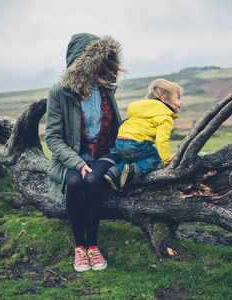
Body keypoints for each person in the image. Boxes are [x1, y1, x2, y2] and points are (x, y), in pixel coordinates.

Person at [45, 33, 125, 272]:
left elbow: (115, 125)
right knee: (75, 182)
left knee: (91, 179)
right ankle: (79, 247)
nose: (100, 67)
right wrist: (76, 163)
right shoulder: (59, 92)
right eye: (96, 62)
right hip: (72, 155)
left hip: (106, 152)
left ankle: (92, 246)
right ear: (82, 63)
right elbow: (53, 137)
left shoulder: (106, 87)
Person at [104, 78, 182, 191]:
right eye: (178, 98)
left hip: (120, 141)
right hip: (135, 143)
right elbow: (162, 139)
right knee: (156, 155)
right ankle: (132, 171)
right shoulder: (165, 116)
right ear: (164, 99)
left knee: (132, 159)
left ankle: (112, 173)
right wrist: (167, 159)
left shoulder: (143, 109)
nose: (181, 102)